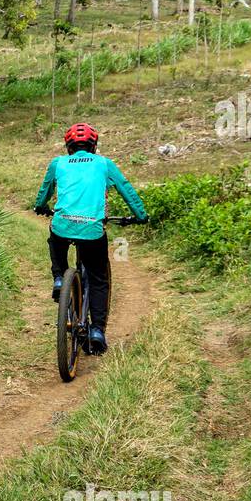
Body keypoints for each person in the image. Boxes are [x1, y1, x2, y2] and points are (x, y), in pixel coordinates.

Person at [33, 122, 147, 354]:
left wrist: (40, 207)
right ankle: (96, 331)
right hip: (93, 231)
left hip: (62, 226)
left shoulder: (58, 163)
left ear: (68, 147)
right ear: (94, 146)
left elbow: (44, 192)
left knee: (55, 240)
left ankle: (58, 278)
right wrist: (140, 216)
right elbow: (127, 190)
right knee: (98, 279)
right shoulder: (104, 164)